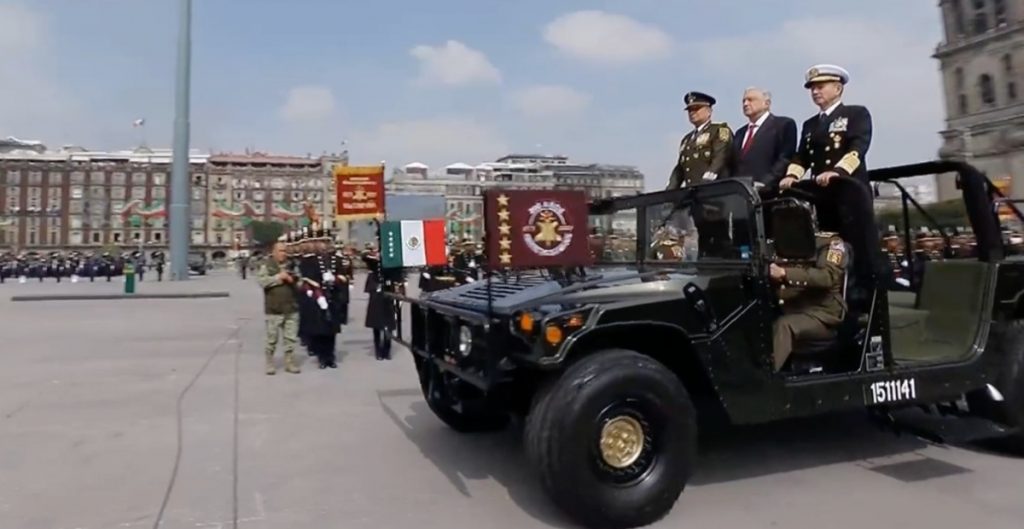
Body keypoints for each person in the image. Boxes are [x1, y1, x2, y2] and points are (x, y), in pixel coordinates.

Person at [781, 64, 873, 232]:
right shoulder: (810, 124)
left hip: (849, 190)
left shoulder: (856, 114)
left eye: (820, 87)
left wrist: (838, 172)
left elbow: (857, 148)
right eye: (812, 89)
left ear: (838, 88)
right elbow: (802, 156)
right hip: (822, 194)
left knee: (857, 245)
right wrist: (792, 175)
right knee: (830, 244)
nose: (815, 92)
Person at [769, 231, 850, 372]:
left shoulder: (831, 243)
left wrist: (785, 273)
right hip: (789, 309)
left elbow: (827, 277)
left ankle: (766, 379)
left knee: (785, 326)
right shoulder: (778, 244)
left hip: (821, 315)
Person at [730, 87, 798, 194]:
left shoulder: (783, 125)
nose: (745, 104)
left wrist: (764, 183)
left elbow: (785, 158)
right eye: (744, 101)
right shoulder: (740, 133)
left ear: (766, 103)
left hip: (769, 193)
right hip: (740, 195)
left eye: (751, 100)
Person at [667, 91, 733, 189]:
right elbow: (680, 169)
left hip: (715, 192)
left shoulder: (720, 130)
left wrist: (707, 179)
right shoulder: (687, 139)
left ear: (709, 111)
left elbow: (721, 157)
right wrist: (669, 190)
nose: (692, 112)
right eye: (690, 110)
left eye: (696, 109)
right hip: (693, 193)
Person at [257, 239, 301, 375]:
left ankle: (290, 362)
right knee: (272, 338)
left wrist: (293, 280)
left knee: (290, 338)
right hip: (274, 309)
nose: (284, 254)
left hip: (291, 307)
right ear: (274, 252)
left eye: (285, 251)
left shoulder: (292, 265)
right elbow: (262, 282)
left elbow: (300, 283)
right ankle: (270, 363)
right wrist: (278, 277)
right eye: (281, 251)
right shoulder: (267, 265)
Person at [362, 243, 397, 360]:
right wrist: (375, 253)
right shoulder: (373, 260)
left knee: (389, 324)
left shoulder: (391, 258)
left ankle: (387, 350)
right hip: (376, 292)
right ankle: (378, 350)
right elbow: (364, 256)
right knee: (376, 323)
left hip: (388, 291)